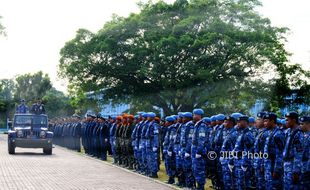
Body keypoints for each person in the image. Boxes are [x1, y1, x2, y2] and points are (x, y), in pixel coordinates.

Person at [263, 112, 285, 189]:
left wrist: (277, 170)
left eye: (266, 121)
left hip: (273, 167)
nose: (264, 123)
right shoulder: (268, 132)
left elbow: (280, 154)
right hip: (267, 166)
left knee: (274, 186)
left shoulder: (278, 134)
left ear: (272, 121)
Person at [283, 112, 304, 190]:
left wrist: (296, 171)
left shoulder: (299, 133)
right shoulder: (288, 131)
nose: (286, 122)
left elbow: (299, 154)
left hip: (293, 165)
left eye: (287, 120)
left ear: (294, 120)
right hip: (286, 164)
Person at [191, 108, 209, 190]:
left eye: (195, 115)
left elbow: (201, 140)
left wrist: (199, 151)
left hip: (199, 151)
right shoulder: (197, 125)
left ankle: (201, 187)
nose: (193, 116)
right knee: (195, 168)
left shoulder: (202, 126)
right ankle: (198, 186)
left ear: (199, 116)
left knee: (199, 169)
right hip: (194, 149)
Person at [299, 116, 310, 188]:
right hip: (301, 166)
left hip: (307, 168)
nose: (300, 125)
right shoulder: (302, 135)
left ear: (308, 124)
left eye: (302, 124)